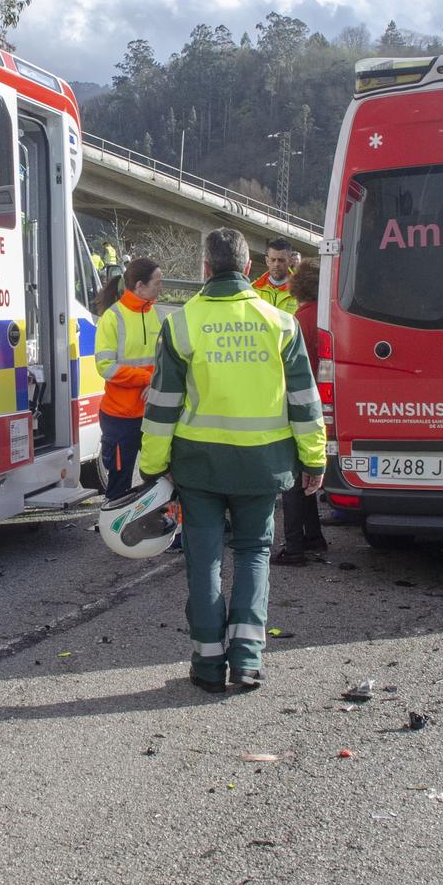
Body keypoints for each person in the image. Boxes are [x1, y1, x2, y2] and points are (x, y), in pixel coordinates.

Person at [139, 228, 325, 694]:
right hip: (261, 465)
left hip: (198, 464)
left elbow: (161, 405)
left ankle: (207, 667)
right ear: (248, 269)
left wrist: (152, 465)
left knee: (203, 561)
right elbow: (305, 400)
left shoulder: (181, 323)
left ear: (205, 268)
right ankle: (246, 660)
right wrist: (314, 459)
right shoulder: (279, 322)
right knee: (254, 553)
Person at [93, 257, 164, 498]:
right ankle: (113, 533)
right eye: (157, 282)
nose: (160, 287)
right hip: (120, 416)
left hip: (151, 411)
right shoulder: (112, 318)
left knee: (161, 477)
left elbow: (163, 360)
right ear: (140, 286)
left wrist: (154, 381)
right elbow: (106, 367)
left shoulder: (155, 314)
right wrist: (147, 379)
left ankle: (158, 531)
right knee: (119, 484)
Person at [272, 260, 328, 564]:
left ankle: (294, 546)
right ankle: (314, 536)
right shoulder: (329, 315)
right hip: (325, 403)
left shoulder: (299, 319)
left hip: (302, 404)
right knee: (311, 470)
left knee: (293, 477)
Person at [255, 236, 295, 311]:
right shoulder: (253, 289)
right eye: (273, 260)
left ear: (290, 261)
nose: (276, 264)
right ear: (267, 261)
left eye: (281, 260)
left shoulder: (300, 292)